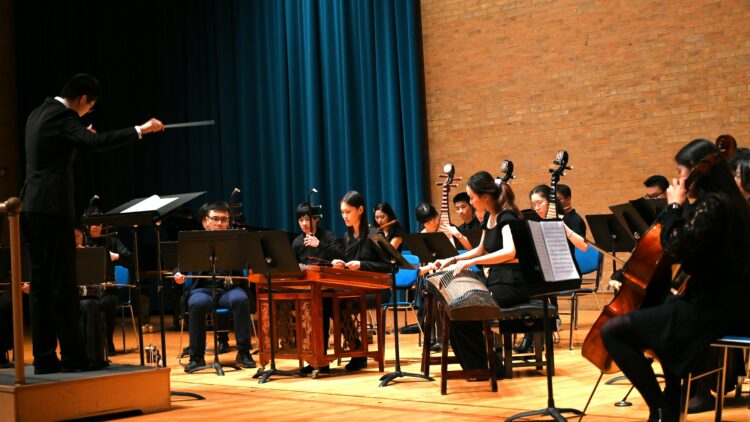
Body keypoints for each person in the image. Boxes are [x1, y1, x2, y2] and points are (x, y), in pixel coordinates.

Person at [20, 74, 164, 374]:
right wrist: (140, 130)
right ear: (84, 100)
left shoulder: (39, 113)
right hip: (52, 209)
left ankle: (45, 358)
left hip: (31, 207)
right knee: (62, 285)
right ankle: (73, 357)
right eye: (90, 107)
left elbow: (55, 151)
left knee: (41, 286)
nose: (88, 113)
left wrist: (77, 135)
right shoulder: (63, 116)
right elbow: (96, 142)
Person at [600, 139, 750, 422]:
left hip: (715, 308)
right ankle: (671, 400)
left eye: (681, 171)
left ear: (697, 170)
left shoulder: (713, 206)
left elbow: (676, 248)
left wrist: (673, 208)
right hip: (727, 303)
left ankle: (662, 407)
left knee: (614, 332)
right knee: (665, 315)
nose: (679, 179)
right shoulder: (730, 203)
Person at [428, 172, 531, 372]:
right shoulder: (489, 219)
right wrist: (453, 259)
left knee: (467, 311)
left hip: (513, 283)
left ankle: (489, 367)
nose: (471, 202)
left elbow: (510, 252)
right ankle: (478, 366)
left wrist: (472, 262)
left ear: (484, 196)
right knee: (455, 310)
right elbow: (481, 249)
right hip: (496, 280)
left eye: (472, 197)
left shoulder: (507, 217)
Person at [174, 202, 256, 372]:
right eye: (216, 219)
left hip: (229, 289)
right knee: (196, 303)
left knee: (241, 299)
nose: (220, 224)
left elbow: (249, 261)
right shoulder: (194, 242)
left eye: (224, 220)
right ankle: (197, 357)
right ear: (205, 222)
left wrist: (251, 266)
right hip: (202, 290)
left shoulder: (236, 241)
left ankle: (244, 352)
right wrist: (178, 275)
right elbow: (180, 265)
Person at [331, 191, 390, 371]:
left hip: (376, 289)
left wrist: (362, 264)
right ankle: (354, 348)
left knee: (339, 302)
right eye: (342, 212)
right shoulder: (348, 236)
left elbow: (387, 266)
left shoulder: (374, 235)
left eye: (348, 212)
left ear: (361, 210)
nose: (344, 216)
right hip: (355, 287)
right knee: (329, 299)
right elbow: (350, 265)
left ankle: (358, 351)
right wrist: (341, 264)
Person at [291, 201, 343, 375]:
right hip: (304, 291)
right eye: (300, 220)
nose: (304, 224)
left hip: (328, 290)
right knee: (303, 320)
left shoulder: (328, 237)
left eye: (307, 219)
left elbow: (340, 255)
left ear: (316, 219)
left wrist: (318, 245)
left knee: (321, 312)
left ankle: (322, 359)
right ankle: (310, 358)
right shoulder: (297, 242)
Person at [82, 206, 132, 355]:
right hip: (87, 289)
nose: (95, 227)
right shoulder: (82, 240)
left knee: (108, 302)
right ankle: (88, 344)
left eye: (98, 223)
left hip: (107, 288)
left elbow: (129, 258)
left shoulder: (112, 240)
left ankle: (107, 341)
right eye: (92, 224)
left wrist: (116, 256)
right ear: (86, 226)